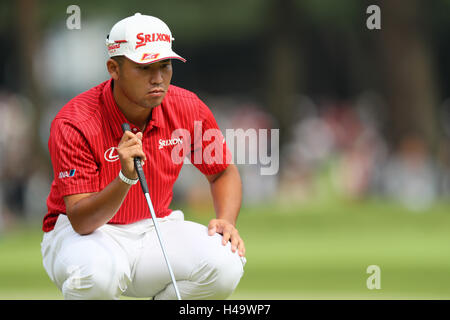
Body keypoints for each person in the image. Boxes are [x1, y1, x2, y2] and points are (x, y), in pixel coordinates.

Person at [41, 13, 246, 300]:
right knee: (96, 276)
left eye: (165, 66)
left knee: (225, 263)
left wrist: (226, 220)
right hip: (82, 236)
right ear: (114, 68)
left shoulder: (188, 108)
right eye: (145, 67)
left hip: (155, 226)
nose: (158, 78)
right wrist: (125, 177)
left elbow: (222, 171)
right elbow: (81, 221)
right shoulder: (75, 122)